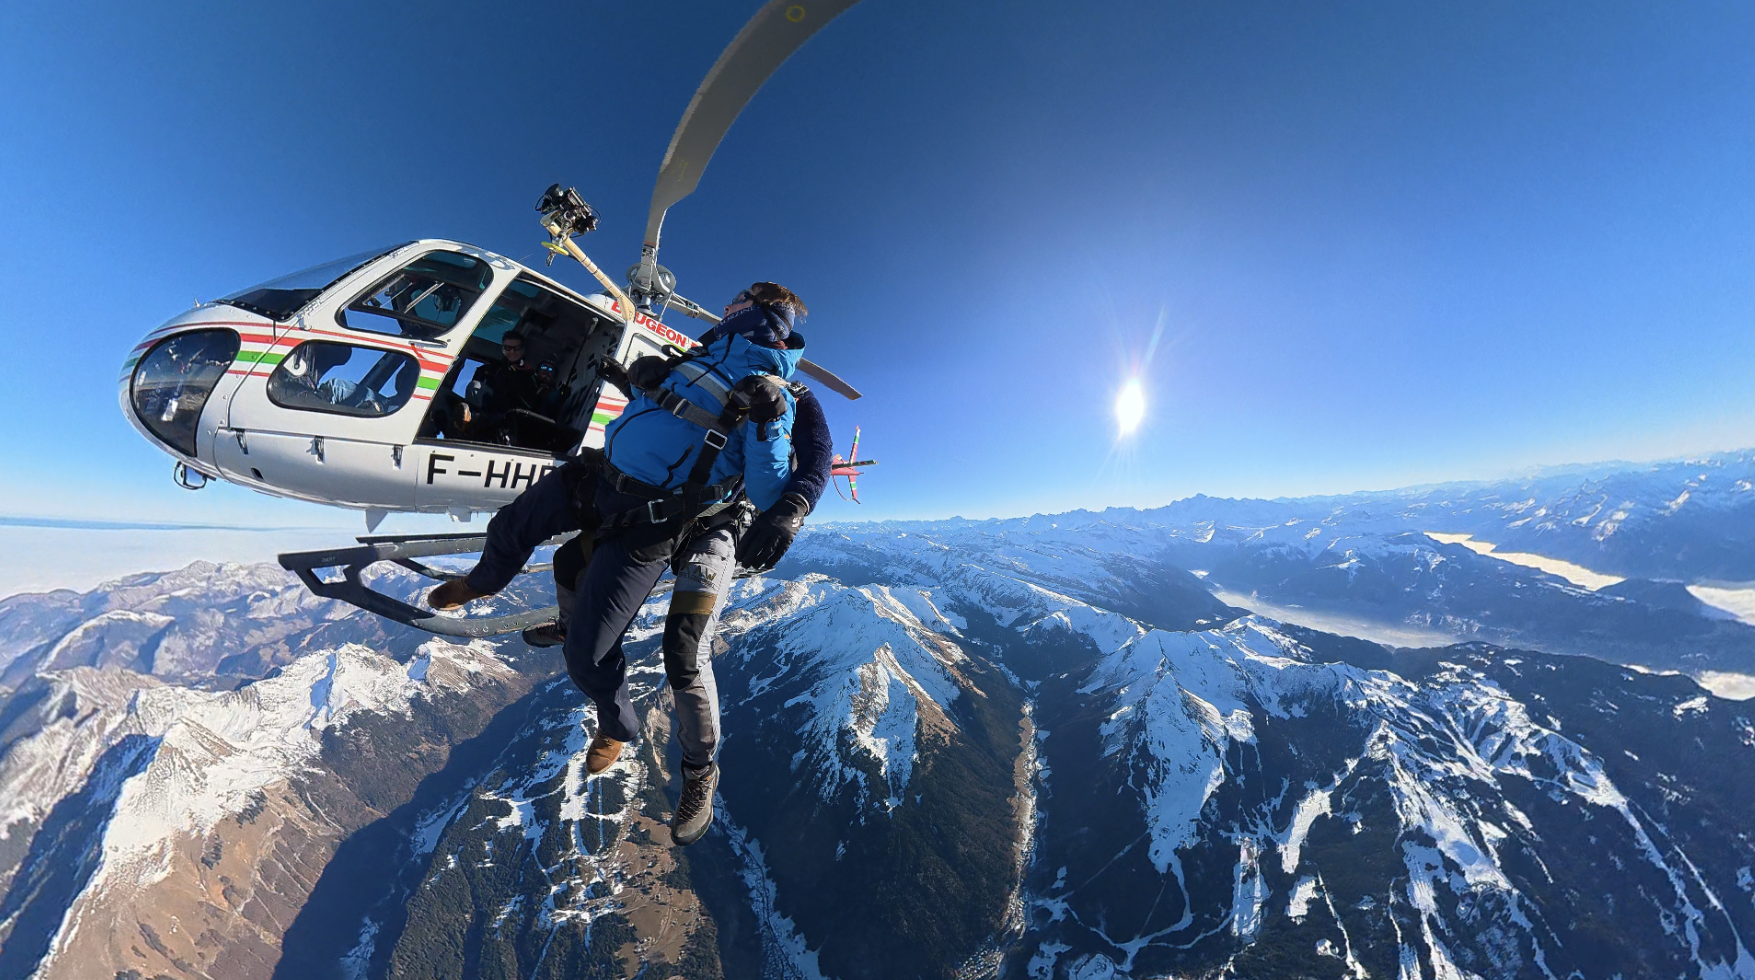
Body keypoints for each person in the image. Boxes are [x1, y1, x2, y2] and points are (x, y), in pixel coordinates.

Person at [428, 282, 832, 847]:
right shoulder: (697, 359)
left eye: (738, 299)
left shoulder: (783, 392)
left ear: (765, 314)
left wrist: (790, 503)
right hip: (611, 486)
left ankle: (696, 769)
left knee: (680, 652)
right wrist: (643, 385)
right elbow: (659, 423)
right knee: (540, 539)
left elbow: (808, 464)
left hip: (694, 520)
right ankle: (485, 580)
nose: (727, 305)